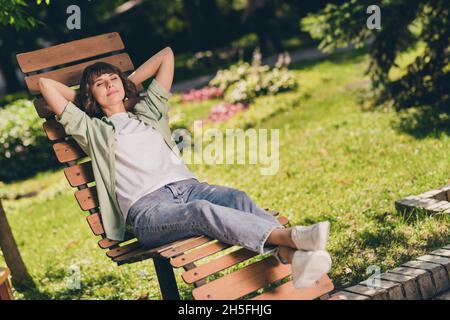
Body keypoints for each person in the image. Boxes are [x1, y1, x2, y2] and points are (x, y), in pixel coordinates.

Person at [38, 46, 331, 289]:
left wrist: (122, 85)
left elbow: (166, 55)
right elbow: (45, 85)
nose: (109, 85)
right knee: (202, 212)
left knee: (236, 198)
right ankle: (292, 237)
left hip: (190, 189)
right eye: (99, 84)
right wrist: (87, 99)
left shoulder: (148, 113)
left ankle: (291, 255)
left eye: (113, 79)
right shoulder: (93, 130)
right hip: (149, 212)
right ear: (91, 96)